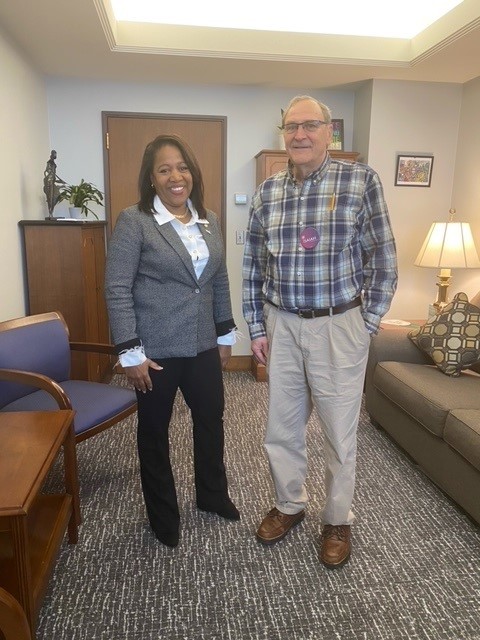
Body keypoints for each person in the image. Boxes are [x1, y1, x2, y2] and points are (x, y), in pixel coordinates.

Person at [242, 96, 397, 568]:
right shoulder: (268, 192)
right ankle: (289, 505)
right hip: (283, 325)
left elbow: (383, 260)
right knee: (281, 429)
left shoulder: (360, 181)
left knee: (339, 433)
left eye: (310, 125)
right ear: (283, 134)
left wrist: (366, 325)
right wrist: (257, 326)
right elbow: (253, 266)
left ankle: (337, 519)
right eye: (291, 127)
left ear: (329, 132)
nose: (300, 135)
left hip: (339, 324)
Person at [105, 134, 240, 548]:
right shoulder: (135, 221)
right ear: (151, 178)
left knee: (210, 420)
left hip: (202, 345)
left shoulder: (209, 219)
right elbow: (116, 287)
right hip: (155, 351)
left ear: (192, 173)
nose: (175, 177)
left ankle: (212, 495)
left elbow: (217, 279)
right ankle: (163, 516)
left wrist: (224, 332)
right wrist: (130, 352)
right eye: (164, 169)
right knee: (154, 432)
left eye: (181, 168)